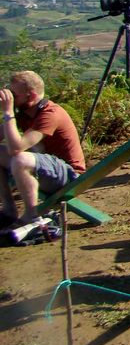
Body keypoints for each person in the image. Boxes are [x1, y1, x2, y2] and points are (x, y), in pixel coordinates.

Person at [1, 71, 86, 230]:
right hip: (47, 170)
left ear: (31, 95)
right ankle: (8, 211)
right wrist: (8, 115)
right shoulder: (26, 114)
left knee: (20, 159)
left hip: (69, 174)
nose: (11, 98)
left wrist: (8, 112)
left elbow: (16, 148)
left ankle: (32, 216)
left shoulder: (50, 113)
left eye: (14, 95)